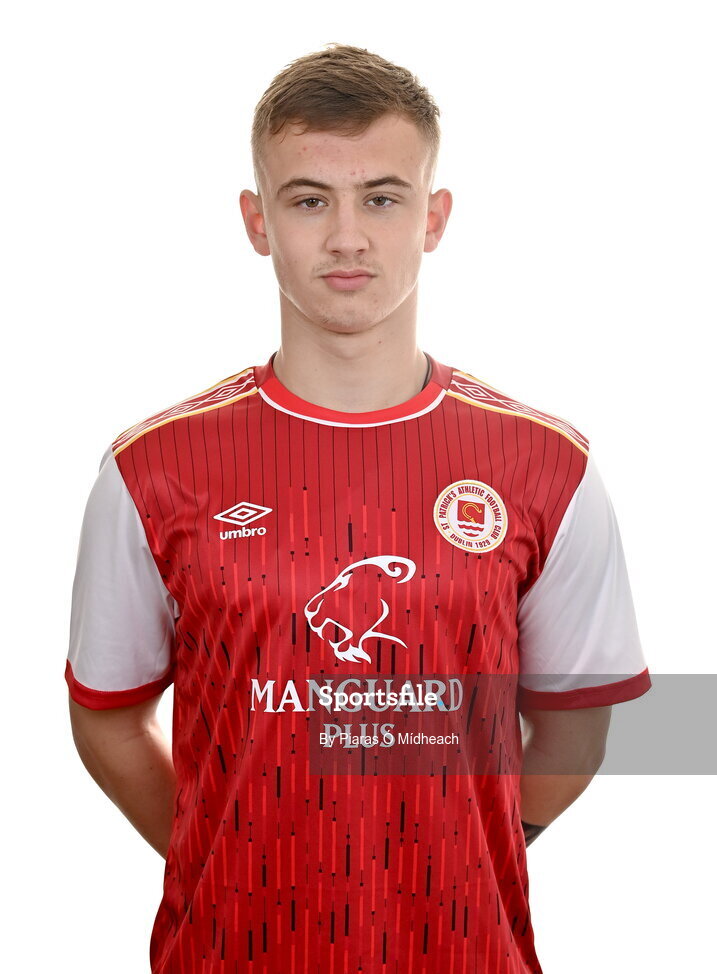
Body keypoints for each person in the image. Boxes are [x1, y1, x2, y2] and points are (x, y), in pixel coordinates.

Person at [65, 42, 651, 974]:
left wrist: (465, 853)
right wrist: (231, 854)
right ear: (258, 223)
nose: (347, 237)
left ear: (433, 217)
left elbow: (575, 726)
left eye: (382, 197)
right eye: (309, 200)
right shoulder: (153, 470)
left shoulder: (547, 467)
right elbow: (106, 716)